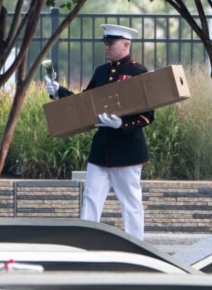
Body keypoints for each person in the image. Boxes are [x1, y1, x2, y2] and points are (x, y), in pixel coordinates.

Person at [45, 24, 153, 240]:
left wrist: (122, 124)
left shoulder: (138, 73)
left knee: (131, 203)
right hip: (101, 148)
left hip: (127, 149)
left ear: (126, 44)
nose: (106, 48)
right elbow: (85, 105)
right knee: (91, 198)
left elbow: (147, 116)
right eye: (105, 43)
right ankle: (86, 242)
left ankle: (138, 245)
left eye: (111, 44)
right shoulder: (101, 72)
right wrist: (59, 92)